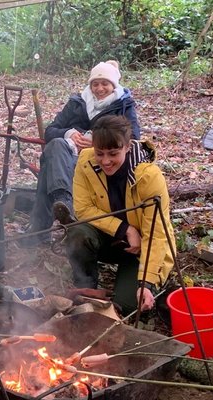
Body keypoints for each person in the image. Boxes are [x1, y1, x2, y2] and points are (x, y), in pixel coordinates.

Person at [23, 60, 142, 246]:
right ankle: (63, 204)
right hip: (69, 153)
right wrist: (68, 133)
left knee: (48, 169)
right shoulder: (77, 102)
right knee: (55, 146)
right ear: (90, 84)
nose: (99, 88)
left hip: (102, 159)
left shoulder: (123, 105)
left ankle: (40, 231)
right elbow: (50, 131)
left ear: (114, 85)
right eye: (95, 83)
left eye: (105, 84)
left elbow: (133, 136)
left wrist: (100, 141)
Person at [65, 115, 172, 313]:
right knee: (78, 232)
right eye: (100, 153)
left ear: (127, 146)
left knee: (128, 306)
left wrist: (146, 284)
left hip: (142, 249)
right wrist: (125, 229)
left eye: (113, 153)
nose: (106, 161)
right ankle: (86, 288)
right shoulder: (85, 162)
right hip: (111, 238)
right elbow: (82, 209)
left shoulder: (149, 177)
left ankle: (148, 283)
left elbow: (157, 234)